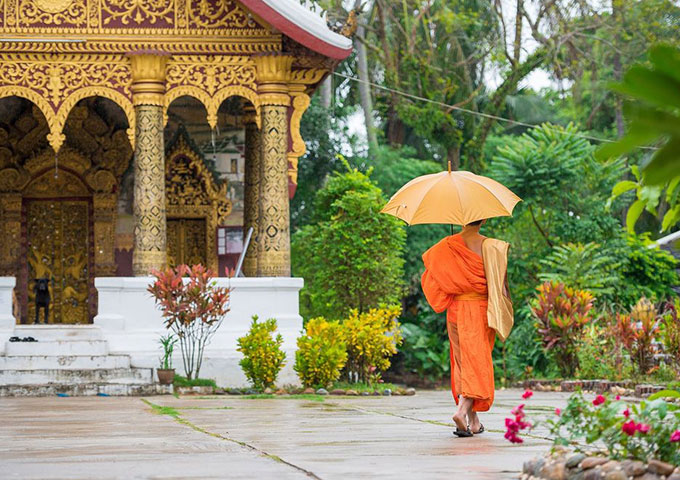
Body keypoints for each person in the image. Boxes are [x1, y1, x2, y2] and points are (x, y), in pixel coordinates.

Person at [421, 219, 513, 437]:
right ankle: (461, 411)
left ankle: (473, 421)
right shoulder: (493, 246)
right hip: (481, 309)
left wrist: (454, 273)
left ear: (460, 221)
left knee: (463, 361)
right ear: (485, 219)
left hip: (455, 309)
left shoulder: (447, 245)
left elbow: (431, 280)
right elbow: (500, 285)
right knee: (477, 361)